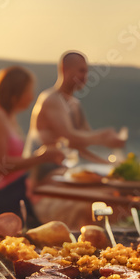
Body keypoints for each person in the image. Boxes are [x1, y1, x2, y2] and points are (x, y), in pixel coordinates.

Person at [0, 66, 64, 224]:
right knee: (62, 210)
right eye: (28, 91)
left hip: (15, 186)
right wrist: (40, 158)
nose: (31, 97)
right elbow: (1, 165)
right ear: (15, 92)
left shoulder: (6, 115)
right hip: (5, 193)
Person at [26, 50, 126, 183]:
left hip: (62, 171)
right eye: (81, 71)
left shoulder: (75, 104)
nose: (85, 76)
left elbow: (83, 144)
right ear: (64, 69)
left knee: (109, 184)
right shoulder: (50, 99)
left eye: (86, 72)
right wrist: (102, 137)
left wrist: (110, 165)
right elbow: (70, 138)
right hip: (42, 177)